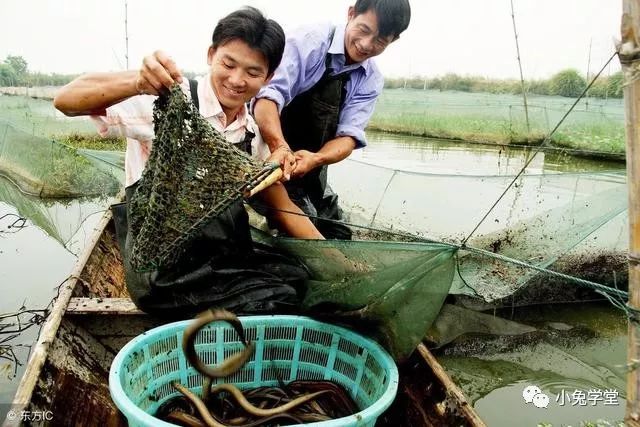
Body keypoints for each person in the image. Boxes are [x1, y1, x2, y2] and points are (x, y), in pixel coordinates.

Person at [54, 7, 319, 316]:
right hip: (163, 270)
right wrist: (137, 82)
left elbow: (280, 206)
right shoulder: (169, 102)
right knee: (277, 298)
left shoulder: (252, 134)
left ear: (268, 77)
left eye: (252, 72)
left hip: (220, 257)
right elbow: (66, 100)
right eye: (228, 64)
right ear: (211, 55)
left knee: (300, 278)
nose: (236, 80)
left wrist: (336, 255)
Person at [253, 0, 411, 240]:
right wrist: (280, 147)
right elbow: (267, 99)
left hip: (310, 164)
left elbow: (348, 138)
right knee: (297, 230)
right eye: (364, 30)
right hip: (267, 150)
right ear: (351, 14)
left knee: (339, 234)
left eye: (380, 40)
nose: (366, 45)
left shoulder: (370, 80)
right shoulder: (309, 41)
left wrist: (316, 159)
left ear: (393, 41)